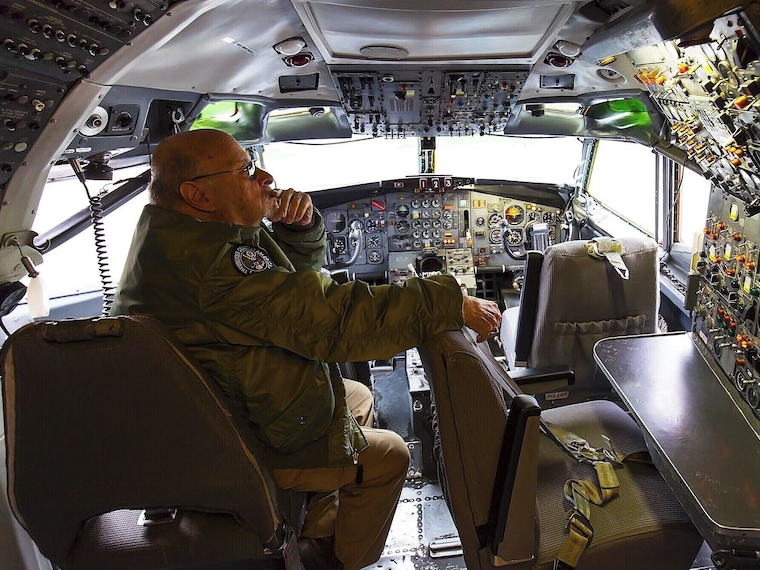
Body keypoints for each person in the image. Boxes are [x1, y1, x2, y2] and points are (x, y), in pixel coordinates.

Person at [112, 128, 501, 570]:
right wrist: (450, 300)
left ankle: (316, 524)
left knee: (358, 396)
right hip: (235, 445)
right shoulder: (213, 266)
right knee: (392, 455)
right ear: (198, 194)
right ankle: (336, 560)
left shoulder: (185, 238)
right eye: (246, 170)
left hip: (216, 413)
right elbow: (336, 322)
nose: (265, 177)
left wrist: (300, 232)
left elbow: (278, 299)